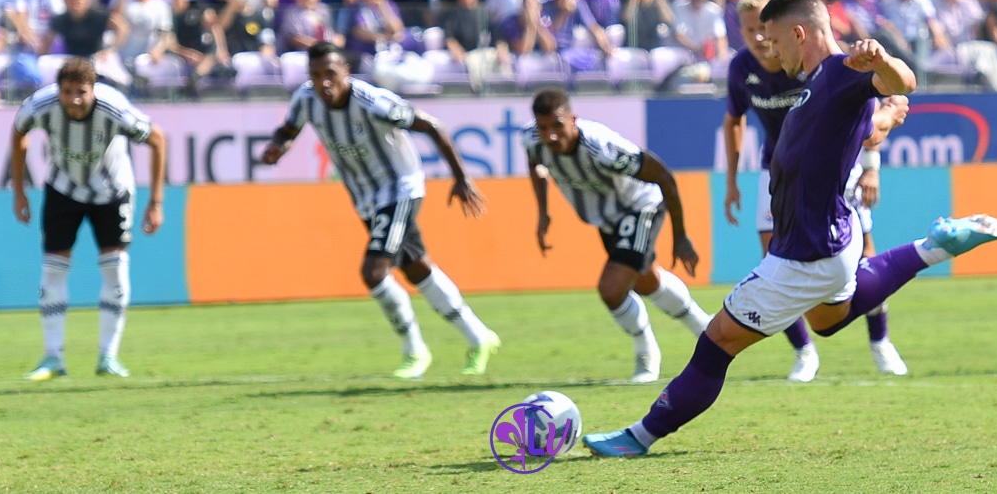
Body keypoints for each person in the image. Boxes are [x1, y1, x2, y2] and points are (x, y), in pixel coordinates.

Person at [583, 0, 997, 457]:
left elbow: (904, 81)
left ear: (800, 32)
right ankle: (935, 246)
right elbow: (864, 127)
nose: (769, 48)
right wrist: (886, 115)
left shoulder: (844, 69)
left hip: (804, 254)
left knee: (717, 341)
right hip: (835, 237)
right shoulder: (817, 83)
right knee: (828, 322)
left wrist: (881, 59)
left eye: (774, 38)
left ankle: (639, 437)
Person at [260, 42, 502, 379]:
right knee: (417, 267)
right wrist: (277, 147)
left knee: (373, 270)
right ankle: (480, 337)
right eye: (316, 76)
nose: (323, 82)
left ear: (345, 71)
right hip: (365, 197)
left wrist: (461, 179)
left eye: (330, 74)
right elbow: (288, 130)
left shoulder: (373, 102)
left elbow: (432, 126)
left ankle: (414, 350)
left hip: (401, 188)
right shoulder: (305, 99)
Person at [722, 0, 906, 382]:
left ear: (794, 31)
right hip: (778, 174)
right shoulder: (743, 69)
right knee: (774, 256)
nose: (759, 39)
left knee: (865, 253)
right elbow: (733, 121)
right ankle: (804, 352)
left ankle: (880, 340)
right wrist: (733, 181)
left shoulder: (827, 67)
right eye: (750, 30)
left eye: (765, 30)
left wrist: (872, 167)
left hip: (833, 173)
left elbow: (865, 122)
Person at [525, 88, 713, 384]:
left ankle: (646, 353)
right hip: (606, 218)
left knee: (612, 289)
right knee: (646, 280)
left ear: (573, 120)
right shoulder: (532, 140)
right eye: (543, 128)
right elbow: (535, 166)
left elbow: (663, 176)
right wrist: (543, 213)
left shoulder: (602, 147)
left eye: (557, 126)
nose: (550, 136)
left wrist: (681, 236)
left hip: (640, 207)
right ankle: (706, 329)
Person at [12, 57, 167, 381]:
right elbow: (18, 131)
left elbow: (158, 140)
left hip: (111, 190)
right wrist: (19, 191)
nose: (74, 99)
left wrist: (156, 202)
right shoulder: (41, 106)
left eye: (81, 92)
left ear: (93, 89)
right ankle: (53, 358)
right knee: (53, 268)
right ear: (59, 90)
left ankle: (108, 356)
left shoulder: (114, 109)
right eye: (67, 92)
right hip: (63, 188)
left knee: (113, 267)